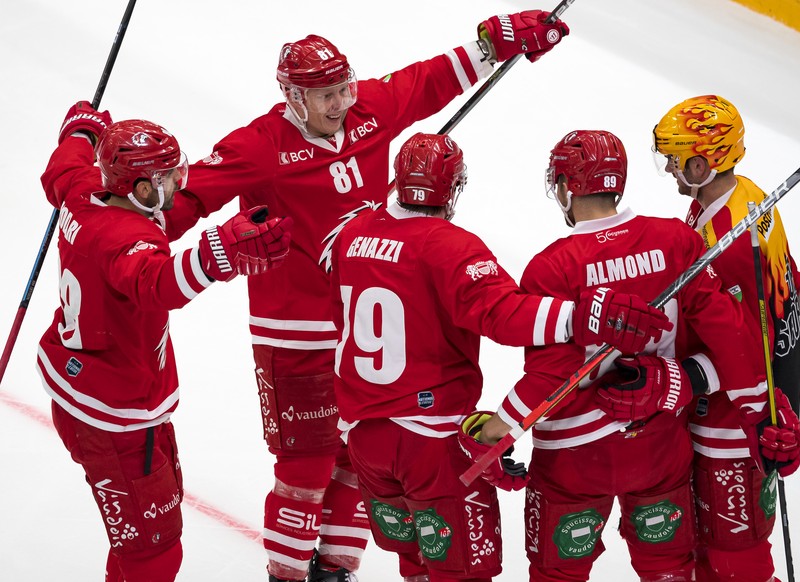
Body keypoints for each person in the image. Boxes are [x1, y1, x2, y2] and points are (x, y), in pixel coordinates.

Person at [163, 12, 571, 582]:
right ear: (293, 98)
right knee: (304, 466)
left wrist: (493, 42)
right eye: (326, 95)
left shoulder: (368, 111)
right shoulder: (257, 146)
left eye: (343, 89)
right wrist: (127, 236)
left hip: (357, 329)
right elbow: (180, 204)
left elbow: (429, 80)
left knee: (358, 460)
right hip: (292, 328)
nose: (339, 104)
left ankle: (335, 569)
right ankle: (285, 574)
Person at [329, 132, 672, 582]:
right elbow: (502, 315)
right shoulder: (449, 245)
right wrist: (580, 315)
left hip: (364, 441)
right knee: (462, 572)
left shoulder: (351, 233)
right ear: (450, 189)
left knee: (417, 563)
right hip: (429, 443)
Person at [475, 129, 776, 582]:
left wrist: (495, 432)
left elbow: (549, 380)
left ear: (564, 187)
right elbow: (730, 334)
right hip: (658, 447)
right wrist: (760, 412)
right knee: (669, 569)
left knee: (558, 573)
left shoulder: (552, 265)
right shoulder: (675, 240)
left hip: (573, 461)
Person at [37, 101, 293, 582]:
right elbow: (155, 283)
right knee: (153, 555)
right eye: (167, 177)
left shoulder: (84, 190)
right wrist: (218, 254)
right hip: (112, 412)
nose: (178, 183)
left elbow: (62, 168)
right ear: (137, 189)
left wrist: (81, 132)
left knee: (144, 540)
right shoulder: (125, 239)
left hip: (91, 391)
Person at [653, 95, 800, 582]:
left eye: (677, 161)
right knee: (709, 550)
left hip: (733, 418)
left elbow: (743, 339)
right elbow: (787, 284)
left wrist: (686, 378)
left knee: (736, 558)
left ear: (701, 163)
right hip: (733, 408)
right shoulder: (746, 198)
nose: (671, 170)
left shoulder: (729, 236)